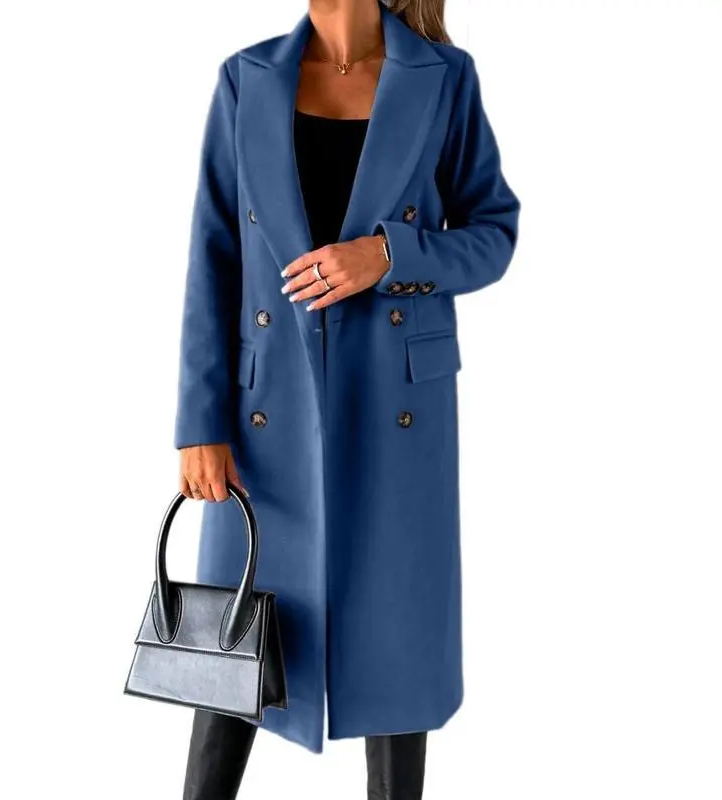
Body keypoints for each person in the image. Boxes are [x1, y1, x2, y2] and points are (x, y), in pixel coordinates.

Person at [173, 0, 520, 796]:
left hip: (398, 406)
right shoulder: (247, 78)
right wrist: (199, 423)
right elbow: (213, 257)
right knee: (233, 645)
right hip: (264, 410)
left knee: (397, 639)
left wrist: (389, 255)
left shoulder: (443, 77)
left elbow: (493, 233)